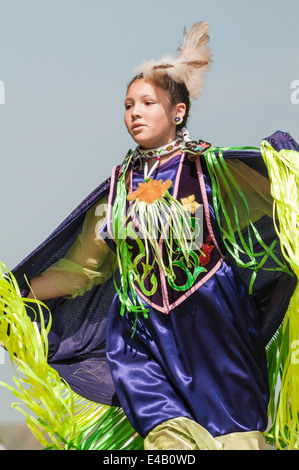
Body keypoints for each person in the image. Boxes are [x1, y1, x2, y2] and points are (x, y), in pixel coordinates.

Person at [1, 22, 298, 451]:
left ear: (178, 112)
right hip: (141, 340)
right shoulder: (118, 187)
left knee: (239, 443)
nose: (134, 112)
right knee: (167, 444)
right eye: (128, 104)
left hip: (216, 335)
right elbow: (77, 271)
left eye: (147, 103)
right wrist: (13, 295)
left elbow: (284, 202)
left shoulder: (213, 172)